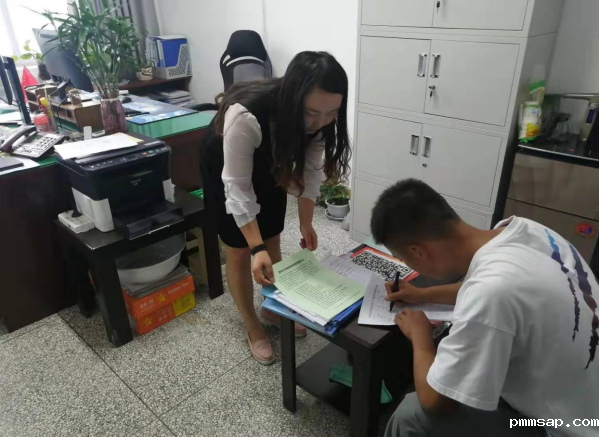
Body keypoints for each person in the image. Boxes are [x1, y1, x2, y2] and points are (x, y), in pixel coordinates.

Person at [370, 179, 599, 437]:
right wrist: (421, 295)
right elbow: (492, 289)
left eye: (404, 258)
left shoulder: (491, 292)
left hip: (565, 427)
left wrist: (421, 339)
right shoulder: (524, 230)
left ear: (418, 251)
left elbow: (436, 403)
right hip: (587, 396)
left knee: (410, 415)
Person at [200, 52, 351, 365]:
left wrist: (306, 223)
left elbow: (310, 171)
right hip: (225, 164)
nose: (320, 123)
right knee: (240, 250)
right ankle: (252, 325)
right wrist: (255, 249)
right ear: (294, 99)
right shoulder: (245, 115)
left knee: (272, 236)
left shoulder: (320, 120)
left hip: (271, 159)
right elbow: (238, 189)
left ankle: (273, 308)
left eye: (331, 113)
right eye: (311, 113)